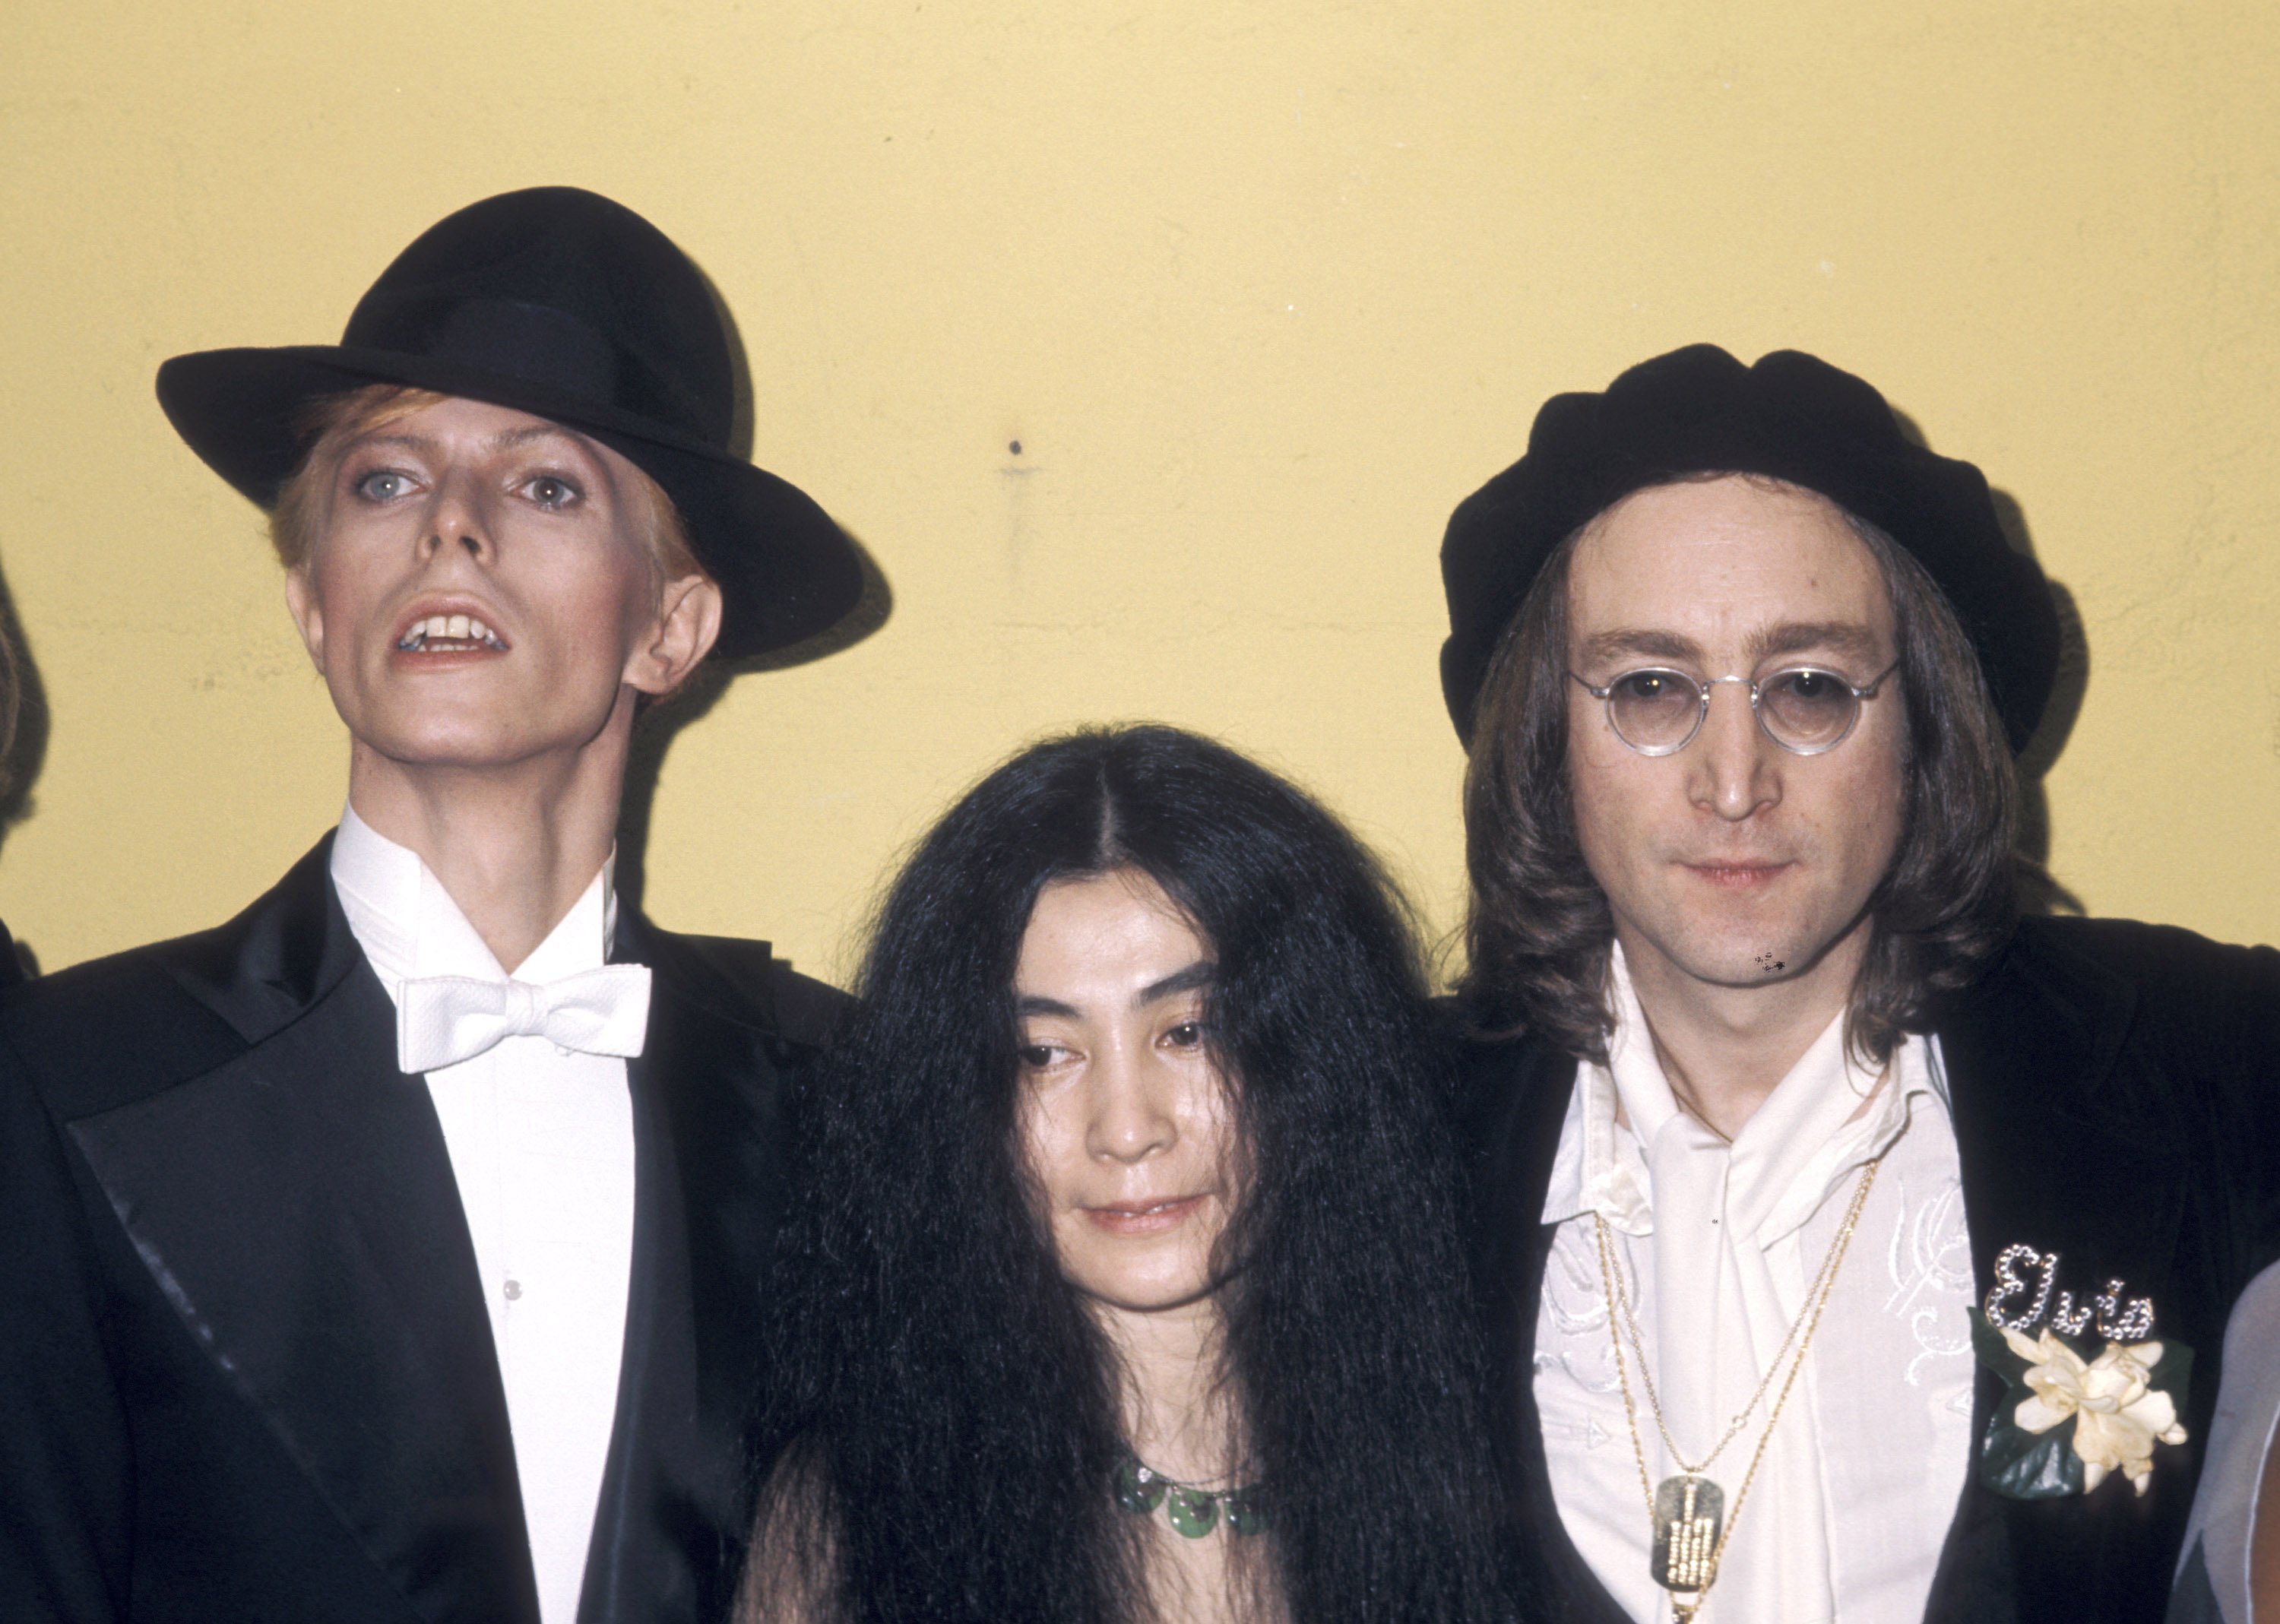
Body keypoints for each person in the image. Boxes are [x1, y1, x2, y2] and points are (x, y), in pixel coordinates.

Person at [0, 187, 863, 1624]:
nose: (451, 529)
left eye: (546, 487)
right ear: (312, 601)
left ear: (671, 626)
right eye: (386, 482)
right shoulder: (64, 1084)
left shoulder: (844, 1102)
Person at [1436, 344, 2280, 1624]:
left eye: (1812, 688)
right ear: (1547, 737)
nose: (1734, 781)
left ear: (1924, 724)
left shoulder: (2193, 1058)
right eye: (1651, 687)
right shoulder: (1390, 1129)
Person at [737, 725, 1511, 1624]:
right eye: (1042, 1053)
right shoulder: (851, 1524)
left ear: (1316, 1052)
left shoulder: (1500, 1454)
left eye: (1188, 1032)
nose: (1128, 1129)